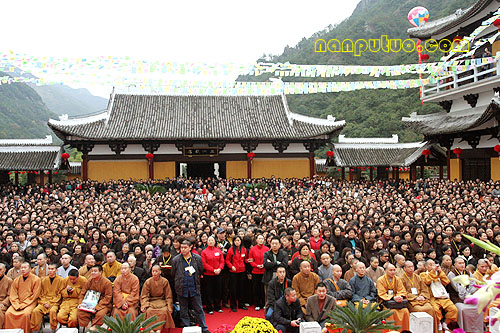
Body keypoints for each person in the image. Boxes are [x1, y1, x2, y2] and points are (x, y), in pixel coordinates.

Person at [171, 240, 210, 333]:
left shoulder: (197, 258)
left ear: (190, 247)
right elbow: (173, 273)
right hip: (182, 288)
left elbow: (201, 270)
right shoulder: (176, 259)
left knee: (199, 309)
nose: (183, 250)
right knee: (183, 310)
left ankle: (204, 328)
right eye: (181, 248)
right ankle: (187, 328)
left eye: (185, 248)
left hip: (194, 287)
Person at [420, 259, 458, 332]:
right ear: (425, 267)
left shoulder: (439, 273)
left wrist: (440, 273)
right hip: (432, 297)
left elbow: (446, 282)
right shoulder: (423, 274)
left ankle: (446, 323)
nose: (432, 266)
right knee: (435, 310)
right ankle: (439, 325)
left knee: (453, 309)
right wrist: (433, 273)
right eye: (430, 265)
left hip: (442, 297)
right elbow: (426, 282)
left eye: (433, 264)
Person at [400, 261, 437, 333]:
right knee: (419, 310)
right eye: (409, 267)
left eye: (412, 266)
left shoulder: (418, 277)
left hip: (422, 299)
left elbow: (424, 288)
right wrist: (415, 297)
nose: (411, 268)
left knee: (431, 309)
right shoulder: (401, 279)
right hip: (412, 301)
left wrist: (422, 296)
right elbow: (403, 292)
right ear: (404, 268)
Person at [4, 262, 42, 333]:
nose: (23, 269)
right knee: (8, 314)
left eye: (25, 267)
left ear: (30, 269)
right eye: (22, 268)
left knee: (25, 314)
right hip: (17, 303)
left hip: (30, 302)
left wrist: (24, 304)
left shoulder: (36, 279)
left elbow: (35, 295)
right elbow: (13, 294)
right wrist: (16, 304)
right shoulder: (17, 280)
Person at [31, 263, 65, 333]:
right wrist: (44, 302)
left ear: (56, 270)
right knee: (35, 311)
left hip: (54, 303)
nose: (50, 271)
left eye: (52, 269)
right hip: (43, 302)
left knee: (53, 311)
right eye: (49, 269)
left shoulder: (61, 280)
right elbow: (40, 294)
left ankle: (53, 329)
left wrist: (50, 303)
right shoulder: (43, 280)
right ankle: (35, 330)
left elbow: (60, 295)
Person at [77, 264, 113, 330]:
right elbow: (83, 293)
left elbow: (108, 297)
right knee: (81, 313)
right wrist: (81, 303)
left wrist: (97, 306)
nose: (93, 273)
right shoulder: (89, 281)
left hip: (102, 304)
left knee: (101, 314)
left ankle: (94, 328)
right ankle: (86, 327)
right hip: (89, 303)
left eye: (95, 271)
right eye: (92, 271)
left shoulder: (107, 282)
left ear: (100, 272)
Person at [376, 264, 410, 331]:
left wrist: (399, 296)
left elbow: (402, 290)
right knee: (391, 312)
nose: (393, 272)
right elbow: (381, 293)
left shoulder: (397, 279)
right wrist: (393, 298)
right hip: (386, 303)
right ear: (386, 271)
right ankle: (392, 331)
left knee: (405, 311)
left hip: (398, 303)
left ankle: (404, 331)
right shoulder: (380, 280)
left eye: (394, 270)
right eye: (390, 270)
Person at [140, 265, 175, 330]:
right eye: (153, 271)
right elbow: (144, 295)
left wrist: (170, 307)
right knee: (149, 311)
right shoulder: (148, 281)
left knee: (164, 311)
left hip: (162, 302)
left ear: (160, 272)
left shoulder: (165, 281)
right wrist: (144, 305)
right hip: (151, 302)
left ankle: (160, 329)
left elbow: (168, 296)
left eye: (156, 271)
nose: (154, 273)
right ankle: (150, 329)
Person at [201, 235, 225, 314]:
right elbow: (204, 264)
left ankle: (217, 307)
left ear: (215, 242)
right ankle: (209, 308)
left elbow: (222, 261)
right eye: (209, 240)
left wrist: (219, 269)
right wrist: (213, 270)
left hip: (218, 274)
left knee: (218, 291)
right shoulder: (204, 252)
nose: (211, 242)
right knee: (208, 292)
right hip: (208, 275)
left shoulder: (218, 251)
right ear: (207, 242)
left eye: (212, 240)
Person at [225, 235, 248, 312]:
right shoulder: (231, 250)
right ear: (233, 242)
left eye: (238, 240)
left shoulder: (244, 249)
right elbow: (227, 260)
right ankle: (233, 306)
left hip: (242, 271)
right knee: (233, 289)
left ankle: (241, 304)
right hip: (233, 272)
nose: (237, 242)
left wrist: (248, 261)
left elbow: (245, 259)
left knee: (242, 289)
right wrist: (231, 266)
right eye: (235, 241)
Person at [248, 234, 269, 311]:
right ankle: (257, 304)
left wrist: (264, 265)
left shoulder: (267, 249)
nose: (261, 240)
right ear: (256, 240)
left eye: (262, 238)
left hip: (264, 271)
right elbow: (250, 260)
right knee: (256, 288)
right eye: (259, 238)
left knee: (263, 289)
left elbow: (268, 260)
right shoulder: (252, 249)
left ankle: (264, 303)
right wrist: (256, 265)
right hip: (255, 271)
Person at [0, 263, 13, 328]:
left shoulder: (9, 281)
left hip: (3, 303)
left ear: (4, 270)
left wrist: (3, 303)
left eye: (0, 269)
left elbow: (10, 295)